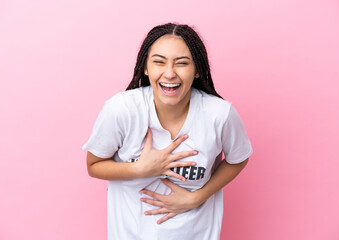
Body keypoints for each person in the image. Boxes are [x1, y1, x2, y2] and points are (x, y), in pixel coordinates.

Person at [82, 23, 253, 240]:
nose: (169, 73)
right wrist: (141, 169)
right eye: (159, 62)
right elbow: (94, 165)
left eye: (181, 63)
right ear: (146, 68)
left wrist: (197, 197)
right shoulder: (121, 110)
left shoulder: (219, 114)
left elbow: (238, 159)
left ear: (198, 70)